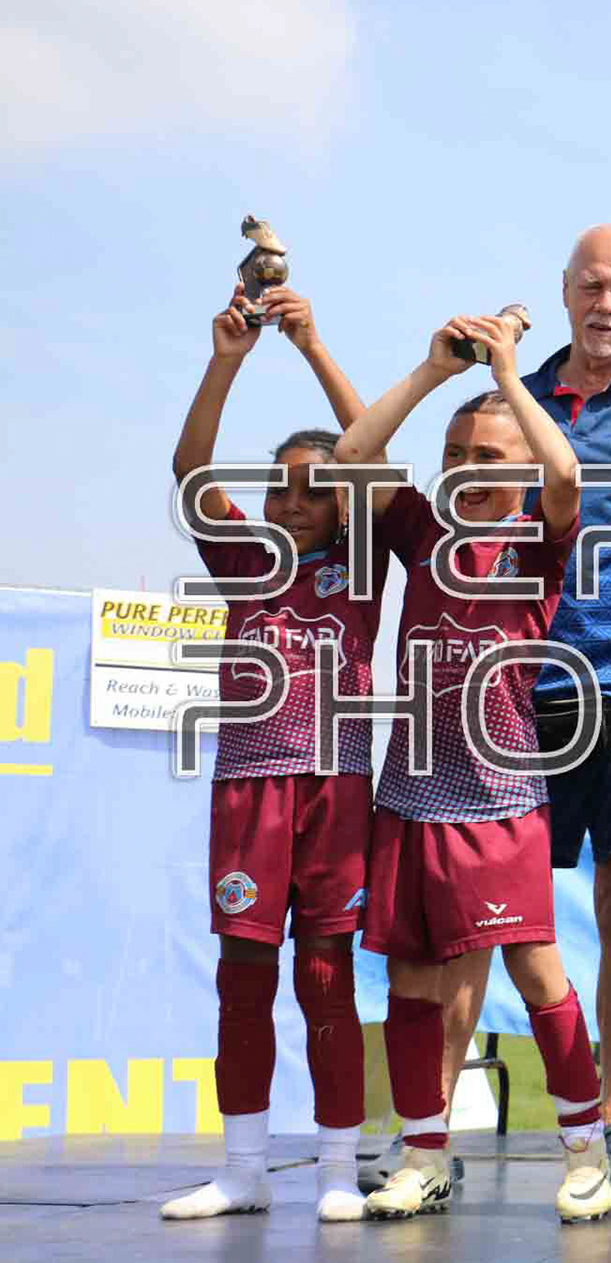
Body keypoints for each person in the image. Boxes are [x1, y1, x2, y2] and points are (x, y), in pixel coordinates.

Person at [427, 225, 611, 1195]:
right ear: (563, 291)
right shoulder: (511, 390)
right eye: (593, 285)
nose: (607, 304)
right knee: (483, 912)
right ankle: (427, 1131)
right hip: (518, 684)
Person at [335, 314, 611, 1224]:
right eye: (455, 455)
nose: (466, 469)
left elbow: (566, 475)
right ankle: (424, 1153)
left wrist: (508, 375)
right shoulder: (422, 530)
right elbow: (353, 454)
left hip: (500, 799)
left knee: (537, 977)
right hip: (412, 795)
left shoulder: (538, 541)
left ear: (522, 470)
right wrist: (430, 373)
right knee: (413, 985)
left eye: (488, 457)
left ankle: (587, 1151)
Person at [161, 286, 379, 1224]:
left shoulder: (363, 563)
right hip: (250, 791)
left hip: (338, 789)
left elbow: (375, 456)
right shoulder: (245, 562)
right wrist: (228, 359)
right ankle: (243, 1169)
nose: (293, 501)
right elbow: (188, 468)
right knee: (243, 977)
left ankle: (337, 1168)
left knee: (327, 976)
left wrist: (313, 344)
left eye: (316, 489)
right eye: (279, 486)